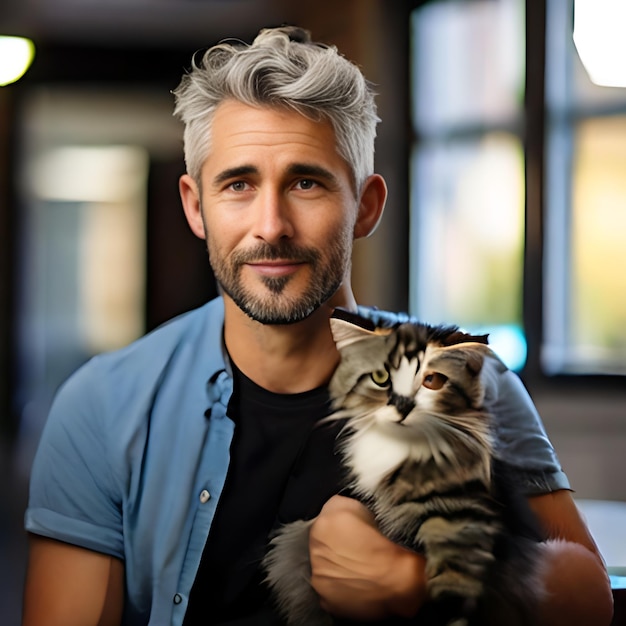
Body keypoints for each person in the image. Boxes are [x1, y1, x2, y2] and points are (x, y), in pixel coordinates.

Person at [22, 26, 613, 626]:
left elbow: (591, 598)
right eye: (238, 184)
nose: (271, 224)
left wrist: (416, 583)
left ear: (368, 205)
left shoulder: (457, 377)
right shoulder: (104, 405)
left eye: (306, 182)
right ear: (195, 206)